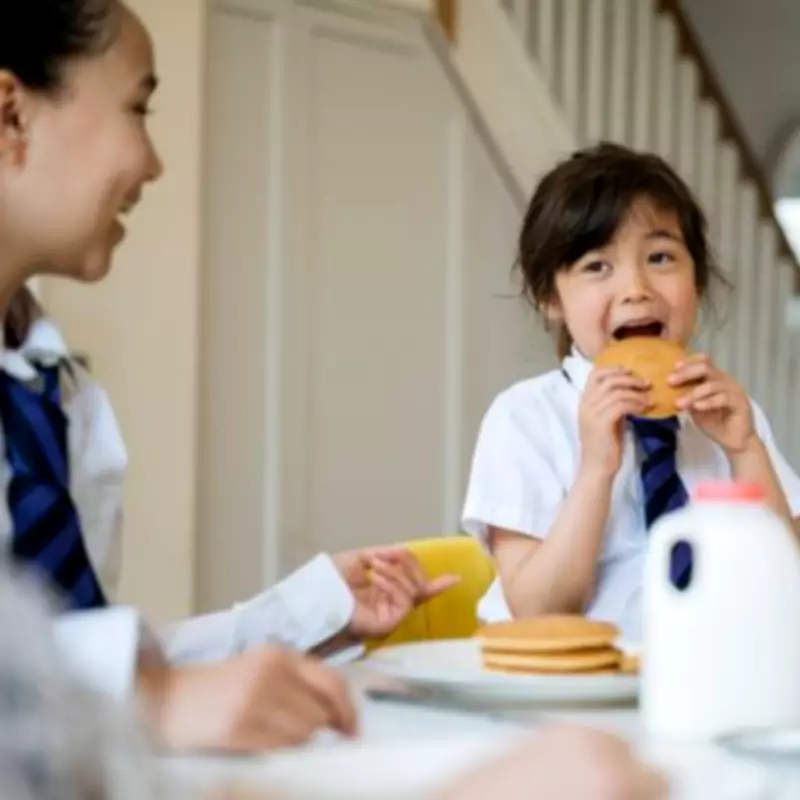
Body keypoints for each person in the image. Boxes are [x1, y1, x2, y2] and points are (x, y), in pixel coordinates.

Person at [0, 0, 459, 751]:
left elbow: (70, 661)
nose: (153, 161)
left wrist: (313, 609)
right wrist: (156, 705)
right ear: (12, 114)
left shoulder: (55, 396)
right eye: (137, 108)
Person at [462, 143, 800, 640]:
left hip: (705, 678)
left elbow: (787, 584)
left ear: (698, 283)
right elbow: (538, 611)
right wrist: (597, 468)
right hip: (561, 690)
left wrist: (746, 450)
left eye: (660, 257)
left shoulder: (732, 420)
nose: (636, 288)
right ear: (551, 298)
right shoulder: (525, 418)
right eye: (598, 266)